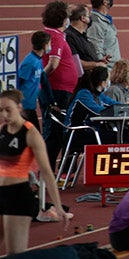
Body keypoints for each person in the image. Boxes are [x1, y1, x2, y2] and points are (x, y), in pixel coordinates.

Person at [0, 89, 68, 255]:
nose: (4, 114)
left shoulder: (30, 133)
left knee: (15, 254)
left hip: (18, 197)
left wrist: (58, 206)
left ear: (19, 107)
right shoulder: (2, 130)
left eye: (8, 109)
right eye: (0, 110)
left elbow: (46, 172)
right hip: (1, 194)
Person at [40, 1, 77, 169]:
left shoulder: (56, 35)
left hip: (61, 89)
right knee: (55, 132)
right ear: (62, 19)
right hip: (57, 91)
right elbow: (53, 64)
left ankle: (51, 171)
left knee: (57, 131)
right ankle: (47, 171)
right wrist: (40, 79)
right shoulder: (54, 37)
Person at [65, 66, 118, 144]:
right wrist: (117, 110)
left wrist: (127, 107)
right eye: (108, 79)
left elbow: (111, 103)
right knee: (118, 137)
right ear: (102, 82)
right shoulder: (84, 94)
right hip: (77, 133)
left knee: (125, 135)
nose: (109, 82)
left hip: (91, 131)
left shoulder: (98, 95)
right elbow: (97, 111)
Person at [16, 30, 53, 128]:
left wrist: (51, 100)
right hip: (25, 106)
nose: (50, 46)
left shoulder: (37, 60)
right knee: (33, 134)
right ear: (45, 46)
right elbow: (19, 81)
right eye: (49, 43)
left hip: (30, 106)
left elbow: (43, 79)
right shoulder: (30, 62)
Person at [65, 4, 106, 72]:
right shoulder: (69, 37)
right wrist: (96, 64)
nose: (90, 17)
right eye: (88, 15)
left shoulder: (82, 36)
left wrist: (99, 61)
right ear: (83, 18)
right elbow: (75, 61)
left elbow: (85, 56)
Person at [88, 0, 121, 66]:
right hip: (107, 69)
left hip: (113, 67)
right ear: (105, 2)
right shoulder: (96, 23)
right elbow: (96, 49)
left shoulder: (104, 19)